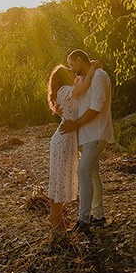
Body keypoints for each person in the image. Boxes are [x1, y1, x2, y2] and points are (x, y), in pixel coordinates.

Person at [59, 49, 114, 232]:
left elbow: (96, 107)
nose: (71, 68)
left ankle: (84, 219)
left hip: (97, 133)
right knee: (92, 173)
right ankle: (98, 216)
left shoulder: (99, 76)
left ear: (80, 59)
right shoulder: (82, 79)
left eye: (72, 64)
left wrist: (74, 125)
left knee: (83, 171)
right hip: (86, 135)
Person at [46, 61, 95, 235]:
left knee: (60, 177)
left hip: (65, 138)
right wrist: (93, 67)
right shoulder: (65, 92)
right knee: (59, 178)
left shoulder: (64, 92)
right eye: (69, 72)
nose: (72, 73)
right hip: (63, 139)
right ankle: (55, 217)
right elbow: (86, 84)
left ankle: (55, 216)